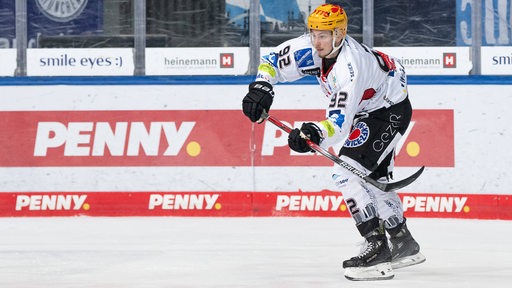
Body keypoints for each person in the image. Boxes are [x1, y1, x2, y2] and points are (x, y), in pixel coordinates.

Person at [242, 3, 426, 281]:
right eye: (314, 33)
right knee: (372, 176)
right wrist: (261, 86)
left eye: (324, 35)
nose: (317, 42)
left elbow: (338, 124)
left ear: (340, 34)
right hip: (370, 106)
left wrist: (313, 133)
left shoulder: (349, 67)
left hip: (387, 111)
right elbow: (270, 61)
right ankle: (403, 242)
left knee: (346, 172)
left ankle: (377, 249)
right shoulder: (310, 47)